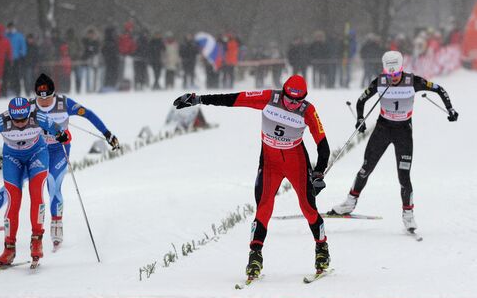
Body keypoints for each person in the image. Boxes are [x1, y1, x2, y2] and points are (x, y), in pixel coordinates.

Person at [173, 74, 331, 278]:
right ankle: (255, 255)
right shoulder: (268, 98)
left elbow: (323, 145)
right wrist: (199, 99)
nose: (292, 104)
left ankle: (322, 249)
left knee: (308, 208)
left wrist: (318, 173)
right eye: (289, 99)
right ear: (283, 92)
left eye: (297, 101)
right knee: (263, 208)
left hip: (296, 163)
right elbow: (233, 98)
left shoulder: (308, 110)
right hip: (270, 163)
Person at [0, 73, 120, 250]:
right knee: (12, 185)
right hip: (36, 150)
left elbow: (89, 115)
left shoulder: (63, 103)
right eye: (40, 99)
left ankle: (56, 225)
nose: (44, 103)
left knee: (53, 184)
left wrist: (107, 134)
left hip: (58, 151)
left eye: (48, 99)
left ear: (54, 94)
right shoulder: (29, 107)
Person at [330, 51, 459, 232]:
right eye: (390, 75)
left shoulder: (413, 81)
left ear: (401, 70)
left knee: (404, 176)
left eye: (396, 74)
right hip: (382, 130)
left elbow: (439, 89)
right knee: (366, 168)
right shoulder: (380, 82)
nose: (393, 78)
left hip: (403, 132)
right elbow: (361, 100)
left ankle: (408, 215)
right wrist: (360, 119)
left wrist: (450, 109)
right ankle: (349, 203)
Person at [0, 97, 67, 266]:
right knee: (13, 201)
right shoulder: (2, 120)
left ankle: (37, 241)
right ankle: (9, 248)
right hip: (12, 157)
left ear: (29, 114)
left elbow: (64, 132)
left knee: (36, 195)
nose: (20, 123)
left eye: (23, 119)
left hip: (38, 154)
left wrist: (61, 134)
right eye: (17, 120)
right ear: (11, 116)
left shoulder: (37, 116)